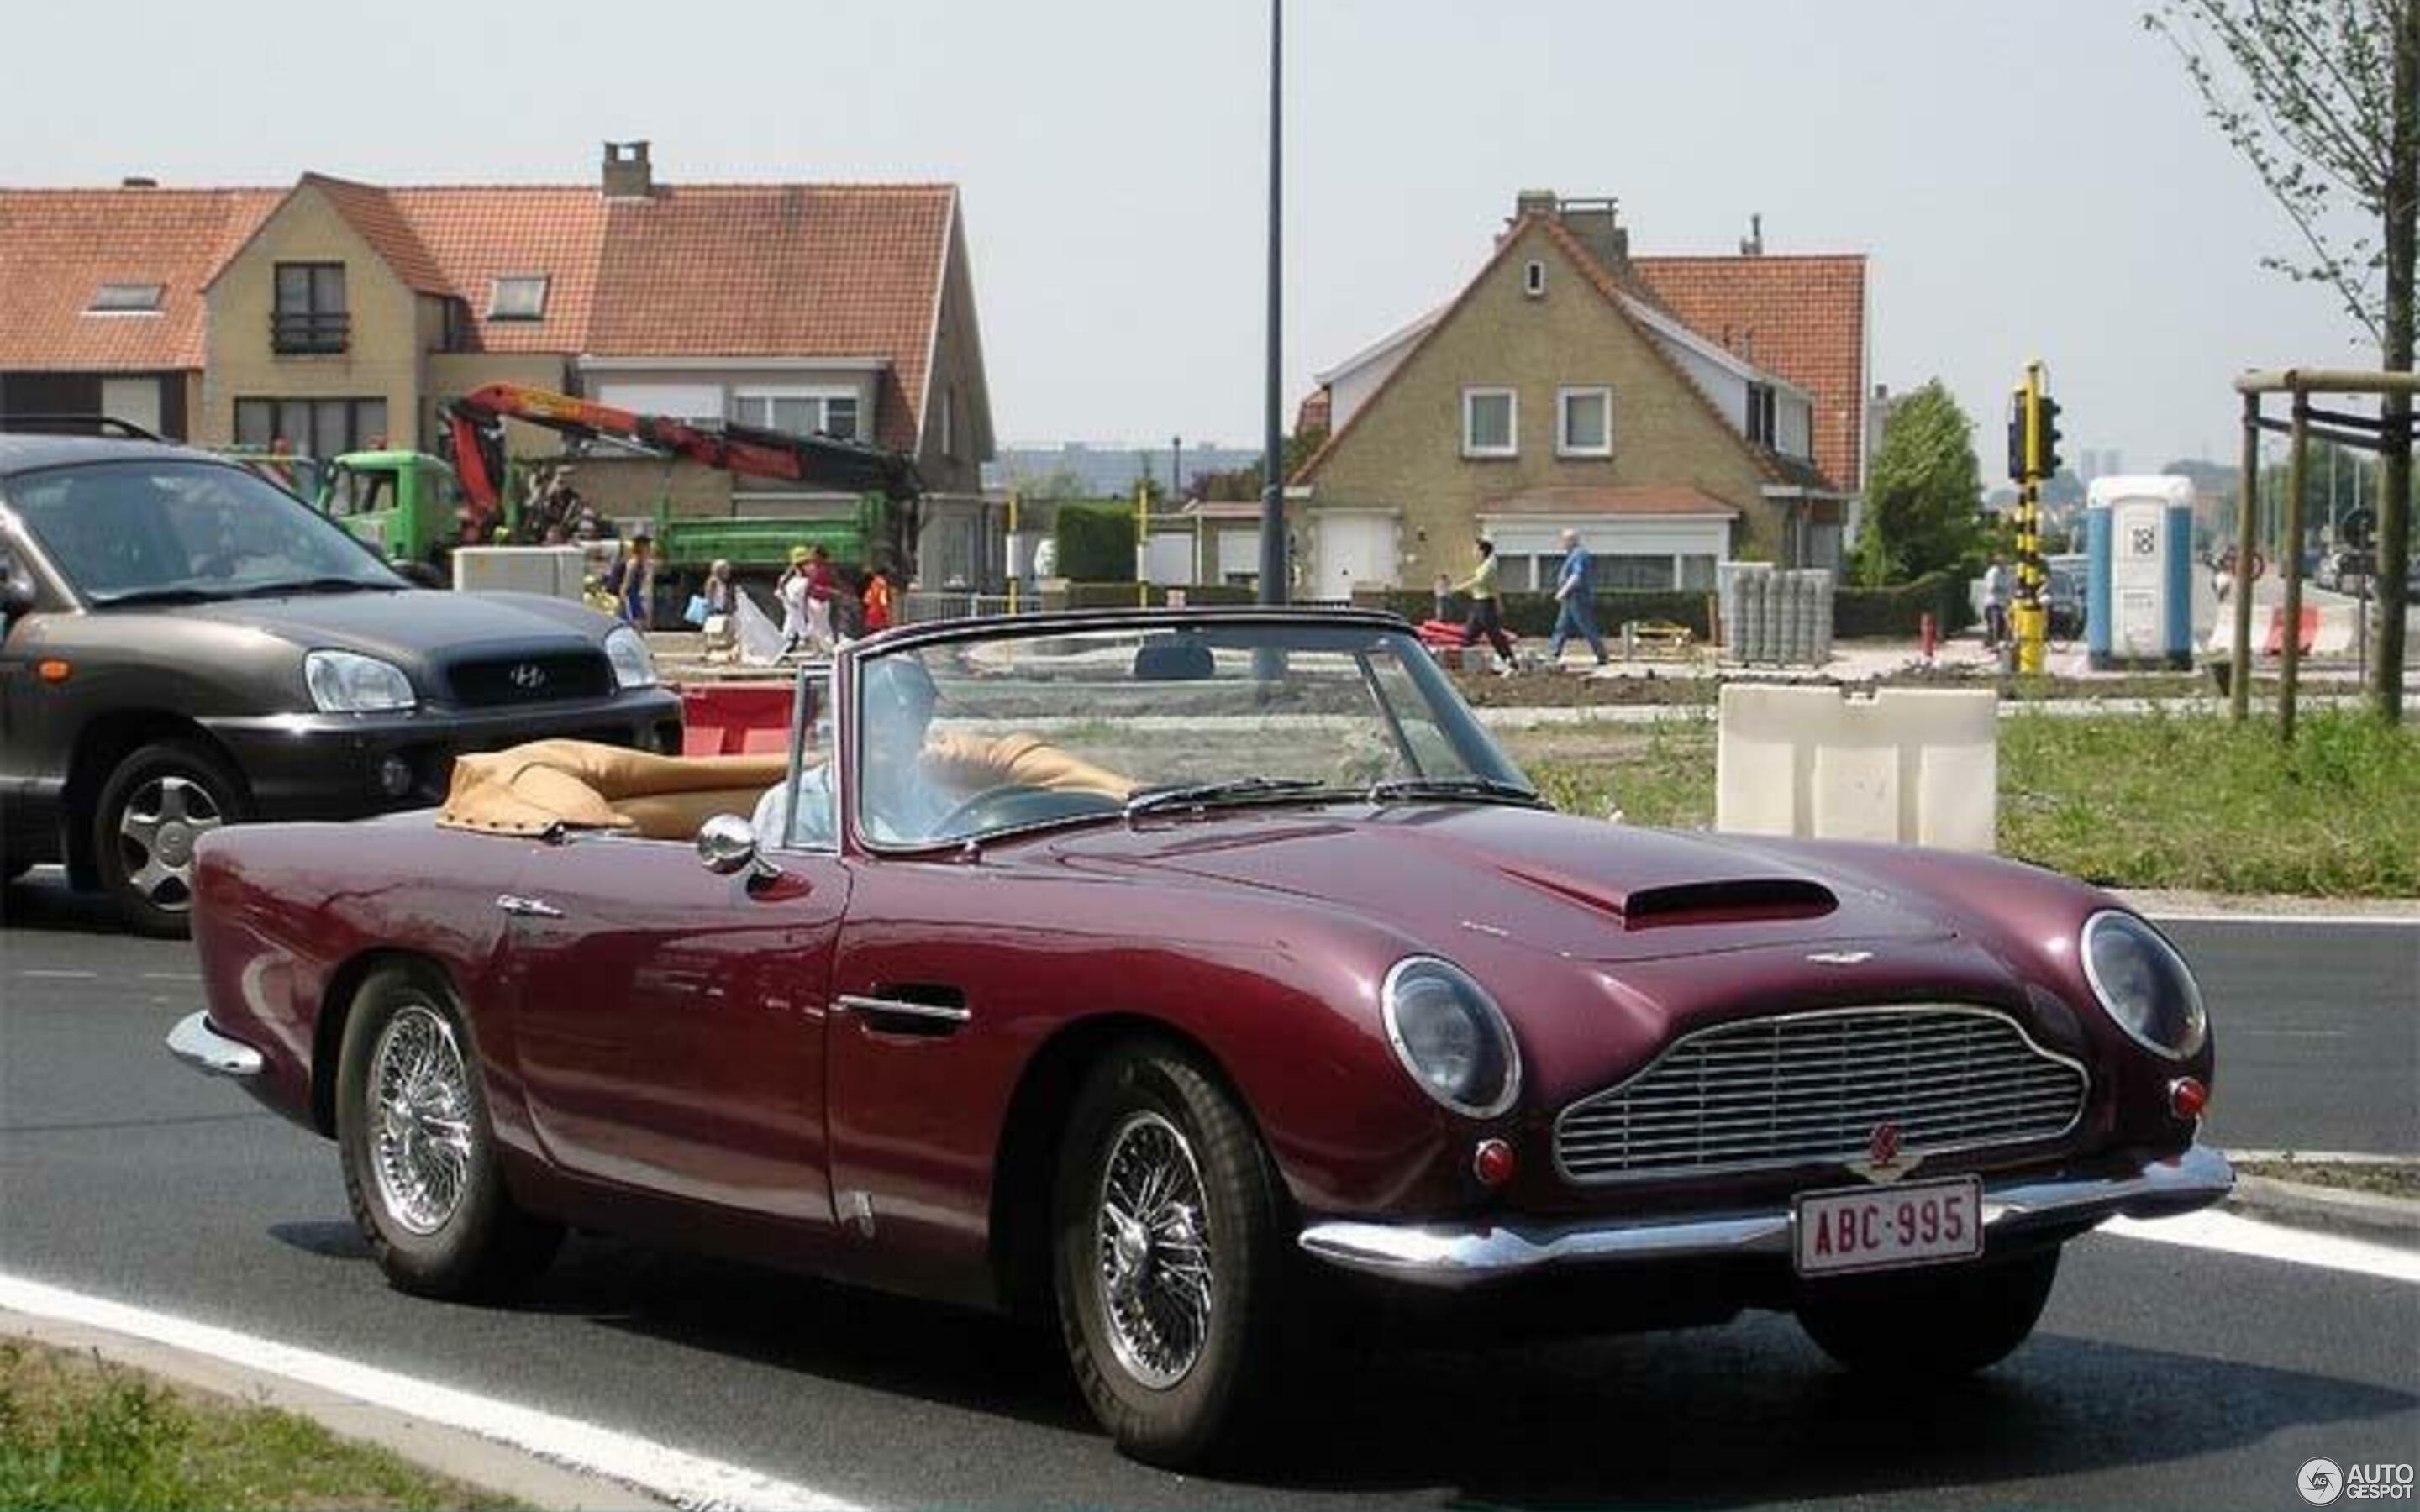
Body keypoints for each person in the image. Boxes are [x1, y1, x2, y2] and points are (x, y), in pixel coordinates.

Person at [750, 654, 1127, 848]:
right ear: (850, 716)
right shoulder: (796, 807)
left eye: (915, 709)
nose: (897, 723)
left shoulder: (935, 802)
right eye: (877, 707)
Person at [1546, 528, 1609, 669]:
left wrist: (1563, 591)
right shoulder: (1573, 555)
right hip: (1571, 598)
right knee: (1561, 627)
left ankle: (1602, 655)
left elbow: (1576, 576)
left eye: (1564, 540)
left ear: (1571, 541)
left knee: (1586, 626)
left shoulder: (1579, 554)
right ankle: (1553, 654)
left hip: (1578, 598)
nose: (1562, 543)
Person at [1456, 537, 1518, 675]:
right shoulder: (1482, 566)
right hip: (1478, 604)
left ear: (1482, 551)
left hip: (1485, 605)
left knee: (1494, 635)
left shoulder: (1488, 566)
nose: (1473, 552)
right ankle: (1464, 666)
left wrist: (1458, 587)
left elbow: (1479, 582)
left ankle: (1510, 661)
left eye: (1475, 549)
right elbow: (1486, 587)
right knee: (1469, 635)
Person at [608, 533, 653, 626]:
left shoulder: (642, 563)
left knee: (637, 620)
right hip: (630, 595)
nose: (649, 548)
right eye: (646, 545)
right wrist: (623, 598)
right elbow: (626, 582)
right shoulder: (633, 563)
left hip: (635, 594)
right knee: (634, 621)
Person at [776, 544, 813, 654]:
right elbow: (797, 614)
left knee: (790, 624)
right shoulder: (799, 581)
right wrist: (804, 634)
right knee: (794, 618)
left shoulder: (790, 577)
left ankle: (782, 647)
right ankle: (800, 640)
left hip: (791, 600)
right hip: (793, 600)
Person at [1981, 557, 2012, 648]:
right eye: (2003, 563)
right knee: (1995, 623)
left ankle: (1992, 643)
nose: (2005, 565)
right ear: (1998, 564)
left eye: (2005, 563)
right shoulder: (1993, 573)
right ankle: (1992, 643)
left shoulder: (2006, 572)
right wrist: (2004, 589)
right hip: (1993, 602)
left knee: (2002, 624)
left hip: (2003, 602)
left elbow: (2010, 584)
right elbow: (1992, 587)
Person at [861, 567, 895, 633]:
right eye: (890, 575)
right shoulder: (882, 584)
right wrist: (887, 615)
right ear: (885, 574)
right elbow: (883, 601)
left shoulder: (874, 583)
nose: (890, 578)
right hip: (879, 615)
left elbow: (866, 600)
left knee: (871, 634)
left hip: (871, 613)